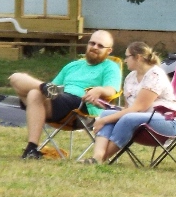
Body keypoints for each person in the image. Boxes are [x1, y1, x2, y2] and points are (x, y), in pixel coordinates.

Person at [9, 30, 122, 160]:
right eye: (92, 43)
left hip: (81, 106)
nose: (95, 47)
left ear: (109, 50)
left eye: (100, 46)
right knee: (16, 78)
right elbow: (54, 87)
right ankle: (31, 149)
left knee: (35, 93)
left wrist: (100, 90)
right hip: (60, 99)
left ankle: (32, 147)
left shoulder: (110, 67)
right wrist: (49, 89)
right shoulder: (73, 65)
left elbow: (112, 90)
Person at [91, 42, 176, 164]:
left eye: (127, 56)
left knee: (126, 118)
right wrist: (106, 107)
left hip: (168, 121)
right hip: (141, 120)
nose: (125, 60)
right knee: (107, 113)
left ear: (138, 57)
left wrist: (102, 121)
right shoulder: (130, 77)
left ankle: (99, 160)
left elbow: (138, 108)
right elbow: (128, 109)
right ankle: (97, 156)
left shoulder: (155, 75)